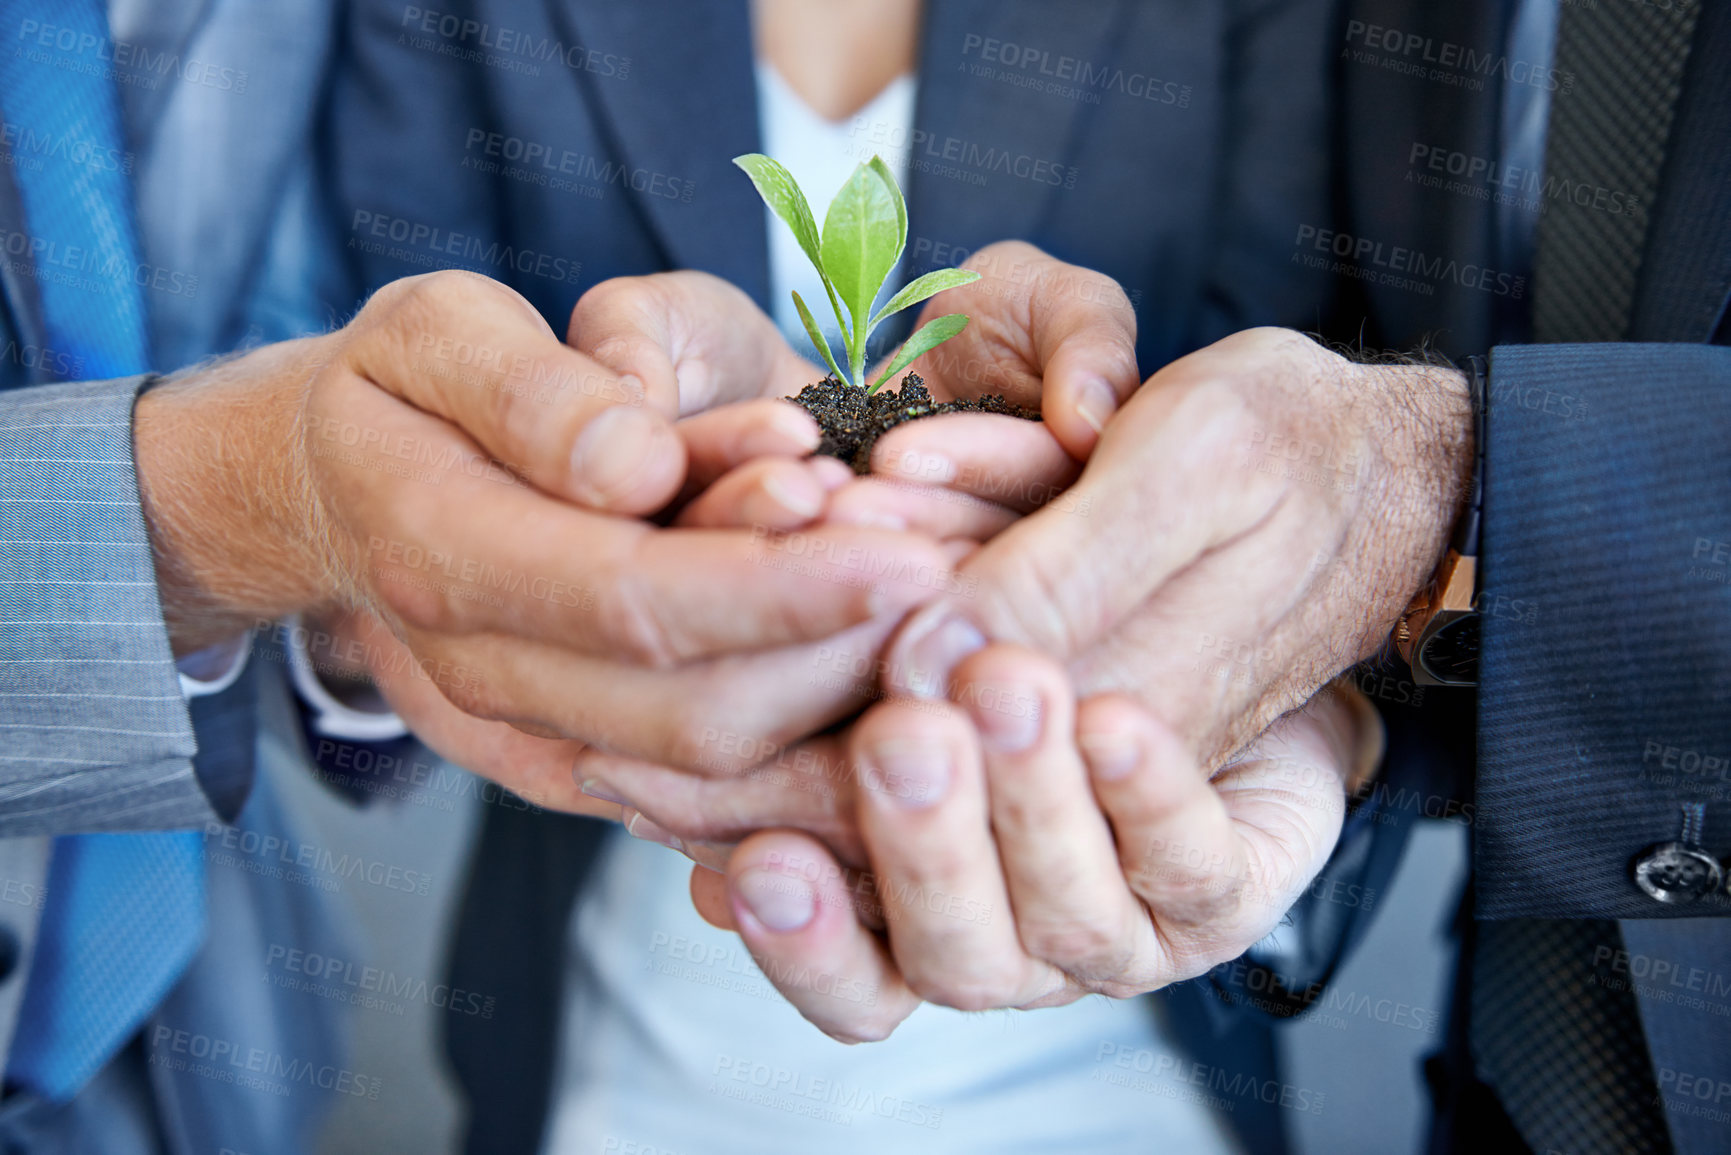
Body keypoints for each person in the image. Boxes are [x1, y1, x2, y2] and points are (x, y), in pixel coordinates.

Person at [334, 1, 1731, 1154]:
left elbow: (1334, 408)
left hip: (1129, 1061)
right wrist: (565, 504)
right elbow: (386, 430)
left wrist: (1315, 681)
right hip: (619, 1029)